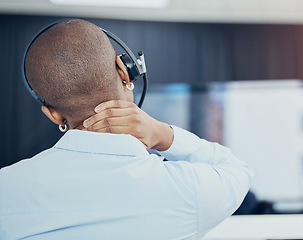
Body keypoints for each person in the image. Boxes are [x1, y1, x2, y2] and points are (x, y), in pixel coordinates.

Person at [0, 19, 252, 240]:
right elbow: (236, 171)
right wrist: (163, 134)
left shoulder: (6, 189)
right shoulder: (188, 192)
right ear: (124, 72)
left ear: (53, 113)